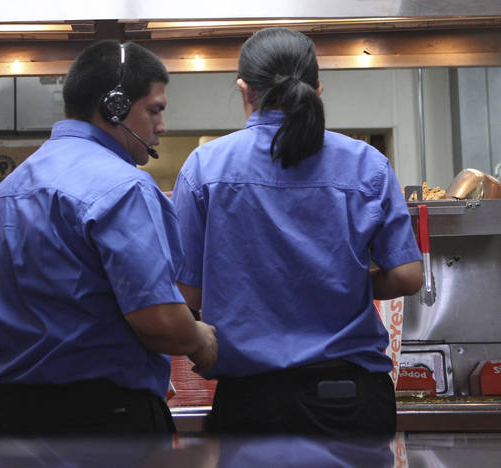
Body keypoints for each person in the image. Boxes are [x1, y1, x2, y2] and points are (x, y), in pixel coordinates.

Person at [172, 27, 423, 435]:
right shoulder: (366, 164)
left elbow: (187, 293)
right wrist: (344, 278)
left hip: (252, 401)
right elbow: (408, 276)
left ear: (244, 90)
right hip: (350, 400)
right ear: (317, 90)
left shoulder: (206, 167)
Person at [0, 40, 218, 437]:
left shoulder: (7, 191)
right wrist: (198, 338)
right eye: (155, 110)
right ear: (115, 107)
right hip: (105, 421)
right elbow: (158, 321)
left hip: (14, 417)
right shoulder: (124, 187)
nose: (162, 127)